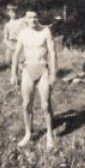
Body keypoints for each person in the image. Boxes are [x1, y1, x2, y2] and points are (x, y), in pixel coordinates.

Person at [10, 10, 57, 148]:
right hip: (27, 70)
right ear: (25, 19)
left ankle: (49, 134)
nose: (33, 20)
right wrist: (13, 74)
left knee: (45, 105)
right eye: (30, 17)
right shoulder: (23, 33)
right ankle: (28, 133)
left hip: (43, 69)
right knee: (26, 104)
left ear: (38, 17)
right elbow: (16, 54)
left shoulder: (45, 31)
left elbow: (53, 53)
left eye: (35, 17)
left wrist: (53, 73)